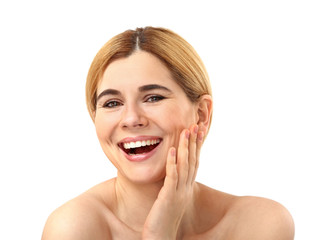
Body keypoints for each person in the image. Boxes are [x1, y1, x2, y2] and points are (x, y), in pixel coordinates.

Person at [42, 27, 294, 240]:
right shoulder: (73, 228)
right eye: (112, 103)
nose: (131, 119)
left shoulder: (259, 224)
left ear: (201, 114)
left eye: (153, 98)